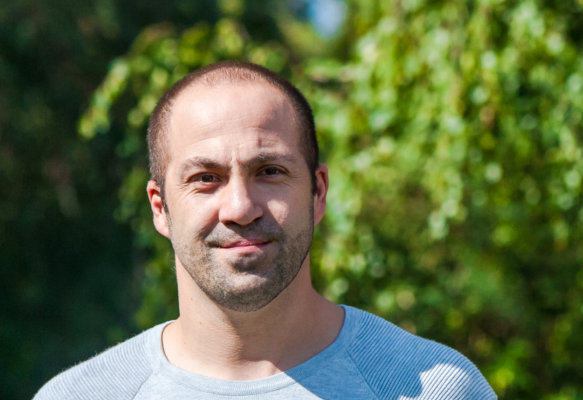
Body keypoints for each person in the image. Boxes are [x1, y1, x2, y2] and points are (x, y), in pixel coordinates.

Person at [34, 61, 497, 400]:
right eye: (206, 178)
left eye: (270, 171)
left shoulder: (437, 389)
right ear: (160, 208)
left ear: (317, 193)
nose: (240, 208)